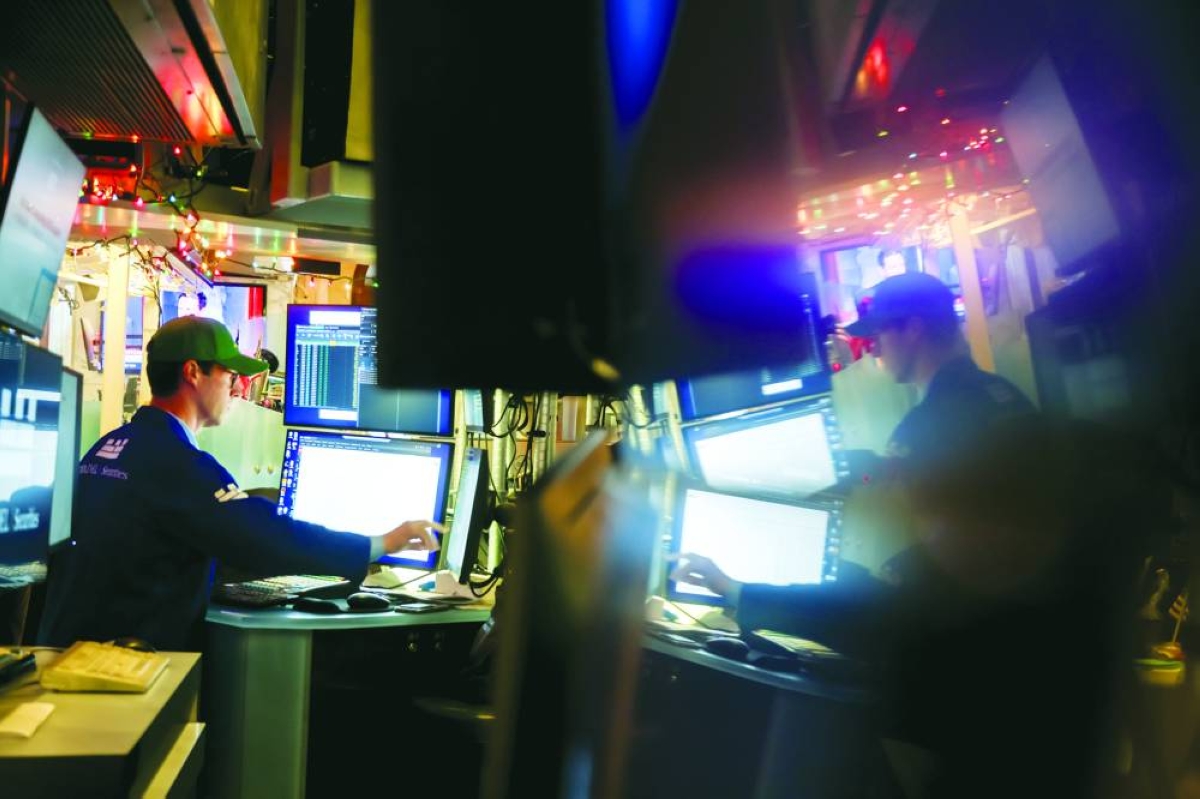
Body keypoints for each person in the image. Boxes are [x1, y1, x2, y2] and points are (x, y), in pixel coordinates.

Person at [38, 316, 440, 650]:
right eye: (231, 375)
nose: (239, 387)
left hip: (70, 651)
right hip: (117, 673)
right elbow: (266, 538)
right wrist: (380, 543)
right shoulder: (177, 464)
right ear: (193, 372)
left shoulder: (111, 445)